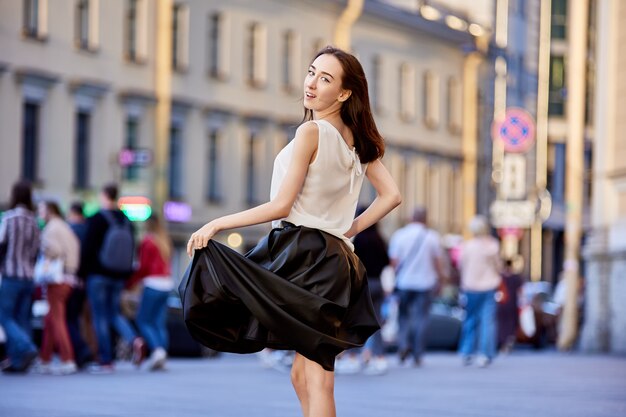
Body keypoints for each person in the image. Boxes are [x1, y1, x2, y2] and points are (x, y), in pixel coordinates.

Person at [181, 46, 401, 417]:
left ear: (345, 93)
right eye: (312, 72)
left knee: (316, 379)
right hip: (333, 260)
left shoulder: (312, 131)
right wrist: (350, 230)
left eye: (325, 79)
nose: (312, 83)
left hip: (307, 256)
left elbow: (281, 206)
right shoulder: (357, 140)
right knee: (303, 376)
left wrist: (217, 222)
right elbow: (392, 195)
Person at [79, 183, 144, 373]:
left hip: (98, 275)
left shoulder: (98, 218)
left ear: (104, 195)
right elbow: (134, 248)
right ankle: (135, 339)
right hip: (119, 276)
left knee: (100, 317)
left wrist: (82, 274)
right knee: (114, 313)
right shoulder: (126, 220)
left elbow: (88, 248)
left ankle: (106, 360)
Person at [388, 206, 445, 367]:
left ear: (410, 217)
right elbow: (438, 263)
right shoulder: (432, 237)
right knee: (422, 318)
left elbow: (394, 263)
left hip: (404, 282)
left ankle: (403, 345)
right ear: (426, 219)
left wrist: (395, 277)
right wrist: (441, 281)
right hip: (425, 283)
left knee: (403, 317)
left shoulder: (400, 235)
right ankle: (418, 353)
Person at [0, 180, 40, 373]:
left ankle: (25, 348)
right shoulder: (34, 221)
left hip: (11, 274)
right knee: (23, 318)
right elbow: (35, 251)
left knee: (5, 316)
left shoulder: (9, 218)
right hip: (28, 276)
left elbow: (2, 245)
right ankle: (17, 361)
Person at [36, 201, 80, 375]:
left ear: (50, 211)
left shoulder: (51, 228)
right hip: (69, 276)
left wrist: (44, 251)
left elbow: (54, 250)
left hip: (57, 277)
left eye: (41, 210)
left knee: (56, 319)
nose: (39, 213)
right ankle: (45, 359)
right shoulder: (65, 227)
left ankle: (67, 359)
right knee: (50, 319)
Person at [126, 213, 174, 370]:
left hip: (152, 284)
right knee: (158, 322)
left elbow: (143, 267)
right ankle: (162, 354)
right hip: (167, 284)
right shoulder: (165, 240)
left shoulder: (147, 241)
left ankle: (157, 351)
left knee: (143, 320)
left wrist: (130, 283)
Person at [458, 215, 501, 368]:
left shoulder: (468, 246)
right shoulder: (493, 246)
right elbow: (498, 267)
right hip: (489, 286)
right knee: (487, 321)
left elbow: (461, 266)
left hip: (470, 287)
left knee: (470, 320)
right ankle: (485, 354)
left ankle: (467, 352)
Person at [352, 207, 391, 375]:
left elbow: (353, 261)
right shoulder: (379, 239)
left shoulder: (359, 239)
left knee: (357, 320)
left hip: (362, 283)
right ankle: (379, 356)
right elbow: (386, 262)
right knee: (376, 321)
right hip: (377, 283)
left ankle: (355, 355)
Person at [66, 201, 94, 369]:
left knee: (69, 317)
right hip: (86, 280)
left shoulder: (73, 230)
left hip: (73, 278)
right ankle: (82, 351)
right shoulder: (88, 229)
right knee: (80, 317)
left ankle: (81, 350)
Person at [497, 259, 523, 353]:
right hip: (512, 304)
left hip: (502, 304)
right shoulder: (516, 277)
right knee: (511, 324)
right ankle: (509, 341)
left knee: (502, 324)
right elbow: (521, 292)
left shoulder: (500, 277)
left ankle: (503, 343)